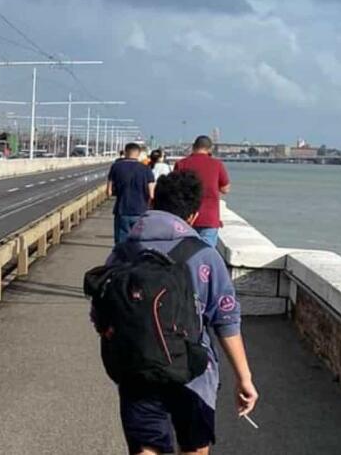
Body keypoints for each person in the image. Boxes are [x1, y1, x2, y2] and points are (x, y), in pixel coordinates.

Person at [97, 171, 258, 455]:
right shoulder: (205, 256)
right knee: (193, 448)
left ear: (151, 202)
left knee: (147, 448)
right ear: (193, 216)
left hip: (137, 371)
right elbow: (226, 320)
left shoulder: (122, 253)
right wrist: (243, 378)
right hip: (193, 373)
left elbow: (101, 314)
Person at [174, 136, 231, 247]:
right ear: (210, 149)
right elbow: (225, 189)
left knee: (185, 253)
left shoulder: (181, 164)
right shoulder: (217, 164)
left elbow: (174, 189)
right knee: (206, 254)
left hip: (186, 217)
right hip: (209, 218)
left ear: (193, 147)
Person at [107, 142, 155, 244]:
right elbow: (152, 194)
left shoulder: (116, 167)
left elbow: (109, 191)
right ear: (138, 154)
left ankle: (123, 259)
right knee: (139, 244)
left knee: (121, 245)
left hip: (122, 210)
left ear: (125, 152)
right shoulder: (146, 169)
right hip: (141, 211)